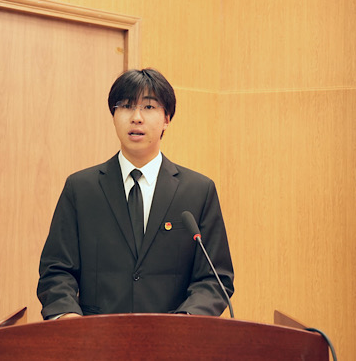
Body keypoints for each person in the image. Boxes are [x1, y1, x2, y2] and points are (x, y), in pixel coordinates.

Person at [37, 68, 234, 320]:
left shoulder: (198, 191)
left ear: (167, 118)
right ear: (113, 115)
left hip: (172, 336)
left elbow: (215, 278)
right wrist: (67, 316)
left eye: (149, 107)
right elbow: (56, 271)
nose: (136, 117)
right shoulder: (81, 188)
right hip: (96, 335)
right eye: (126, 106)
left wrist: (186, 321)